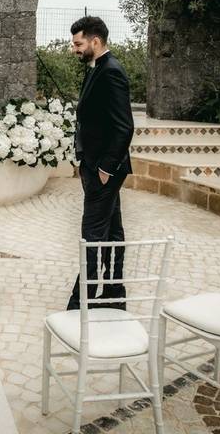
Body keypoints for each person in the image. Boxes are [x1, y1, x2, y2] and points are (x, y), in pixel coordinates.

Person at [67, 16, 135, 311]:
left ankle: (82, 302)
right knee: (111, 230)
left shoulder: (112, 71)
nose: (74, 49)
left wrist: (106, 168)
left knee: (92, 234)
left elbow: (125, 126)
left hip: (104, 170)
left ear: (96, 41)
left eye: (78, 43)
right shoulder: (97, 68)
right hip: (95, 165)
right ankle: (113, 293)